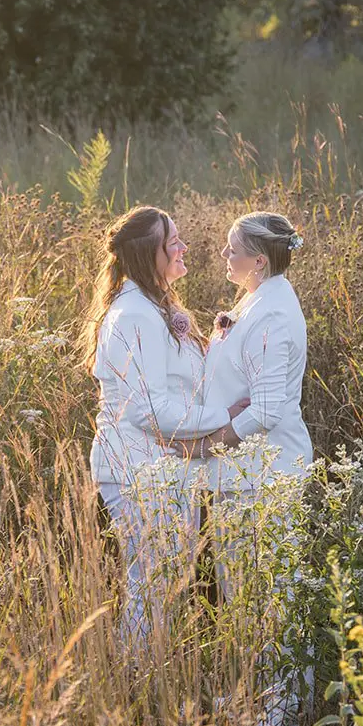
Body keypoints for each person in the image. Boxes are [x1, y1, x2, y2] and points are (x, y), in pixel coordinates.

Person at [167, 210, 313, 725]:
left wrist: (205, 445)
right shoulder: (255, 301)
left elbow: (268, 409)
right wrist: (204, 337)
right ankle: (258, 690)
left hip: (266, 475)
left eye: (232, 249)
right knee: (242, 591)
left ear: (259, 258)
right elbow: (240, 374)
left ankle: (286, 702)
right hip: (240, 476)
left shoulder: (274, 314)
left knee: (272, 590)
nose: (224, 256)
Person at [85, 205, 248, 651]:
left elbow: (179, 384)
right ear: (146, 255)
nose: (182, 247)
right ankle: (137, 683)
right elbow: (149, 409)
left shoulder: (156, 306)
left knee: (165, 579)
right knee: (153, 583)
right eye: (172, 241)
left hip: (163, 465)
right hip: (138, 466)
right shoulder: (135, 314)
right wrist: (226, 419)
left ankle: (143, 681)